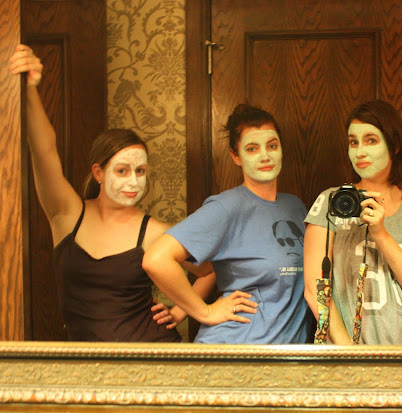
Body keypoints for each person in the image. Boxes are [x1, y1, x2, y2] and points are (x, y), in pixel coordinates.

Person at [9, 44, 182, 342]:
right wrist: (29, 88)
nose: (133, 182)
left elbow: (209, 271)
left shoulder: (156, 232)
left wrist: (182, 311)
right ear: (99, 173)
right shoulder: (66, 214)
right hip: (85, 362)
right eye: (122, 171)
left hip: (150, 356)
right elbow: (43, 149)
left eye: (140, 171)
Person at [142, 104, 314, 344]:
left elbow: (218, 267)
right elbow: (156, 259)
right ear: (236, 156)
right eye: (252, 149)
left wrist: (179, 311)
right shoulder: (225, 207)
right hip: (236, 349)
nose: (265, 156)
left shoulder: (295, 207)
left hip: (284, 354)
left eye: (272, 146)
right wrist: (205, 312)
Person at [304, 100, 402, 345]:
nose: (360, 152)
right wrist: (350, 354)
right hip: (349, 356)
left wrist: (381, 233)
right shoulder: (331, 202)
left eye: (371, 140)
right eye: (353, 142)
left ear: (395, 145)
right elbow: (315, 291)